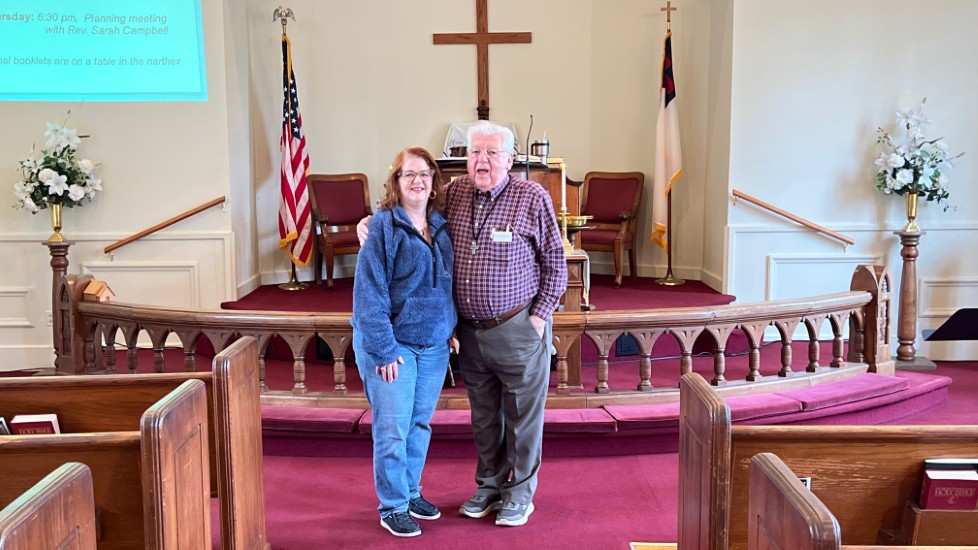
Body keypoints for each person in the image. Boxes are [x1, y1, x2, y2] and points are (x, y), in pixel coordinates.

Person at [358, 121, 567, 527]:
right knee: (485, 419)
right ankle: (489, 486)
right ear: (464, 158)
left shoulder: (531, 197)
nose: (482, 161)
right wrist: (368, 222)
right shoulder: (453, 194)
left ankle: (520, 495)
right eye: (474, 152)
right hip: (469, 334)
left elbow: (556, 264)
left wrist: (539, 318)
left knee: (523, 419)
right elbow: (407, 209)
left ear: (510, 159)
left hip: (517, 328)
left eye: (492, 152)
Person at [351, 146, 456, 538]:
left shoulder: (441, 226)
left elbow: (446, 285)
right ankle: (392, 506)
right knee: (392, 428)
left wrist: (451, 327)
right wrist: (383, 349)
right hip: (393, 346)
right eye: (409, 174)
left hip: (434, 345)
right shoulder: (382, 227)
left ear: (433, 182)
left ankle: (411, 492)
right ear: (395, 182)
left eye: (424, 174)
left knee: (419, 424)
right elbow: (369, 296)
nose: (418, 181)